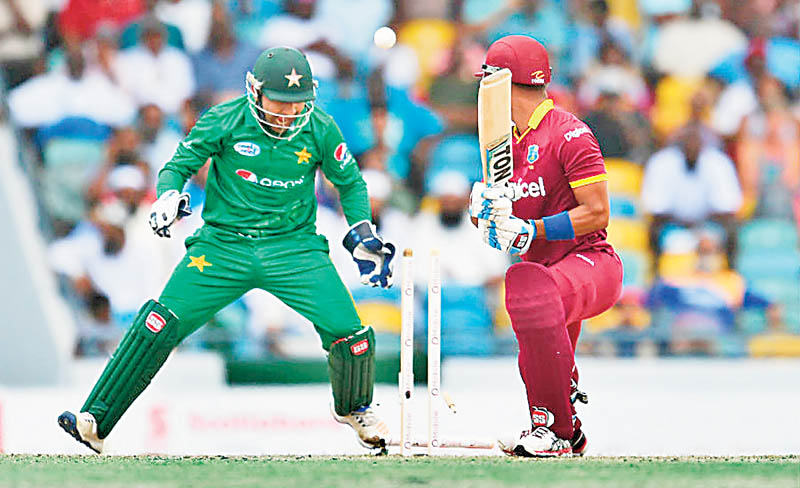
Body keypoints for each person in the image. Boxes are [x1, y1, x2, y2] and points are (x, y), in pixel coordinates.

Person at [57, 46, 396, 454]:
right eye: (280, 102)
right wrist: (166, 197)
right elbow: (178, 165)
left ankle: (355, 407)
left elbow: (351, 183)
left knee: (350, 334)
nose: (289, 113)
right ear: (254, 90)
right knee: (159, 323)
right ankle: (96, 418)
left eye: (297, 103)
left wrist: (362, 230)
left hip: (293, 248)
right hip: (222, 247)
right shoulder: (224, 119)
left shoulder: (320, 127)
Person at [470, 35, 623, 457]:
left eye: (487, 81)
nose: (481, 92)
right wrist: (482, 212)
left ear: (503, 83)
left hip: (590, 263)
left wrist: (532, 230)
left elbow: (597, 212)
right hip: (542, 276)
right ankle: (565, 431)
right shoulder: (502, 141)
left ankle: (553, 429)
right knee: (527, 289)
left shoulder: (570, 134)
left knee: (527, 284)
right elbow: (505, 220)